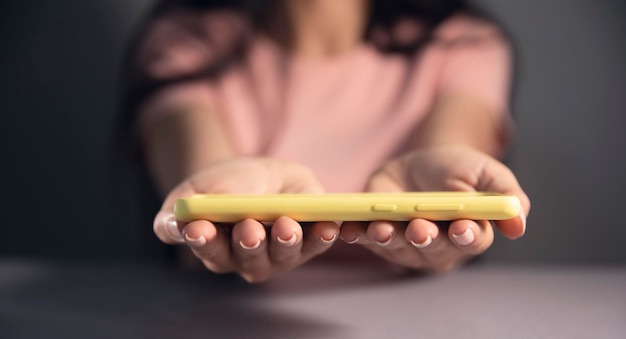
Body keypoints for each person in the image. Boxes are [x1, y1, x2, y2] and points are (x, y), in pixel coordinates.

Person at [120, 0, 531, 283]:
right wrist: (218, 187)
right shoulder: (187, 41)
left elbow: (452, 148)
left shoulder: (462, 42)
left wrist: (448, 181)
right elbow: (201, 182)